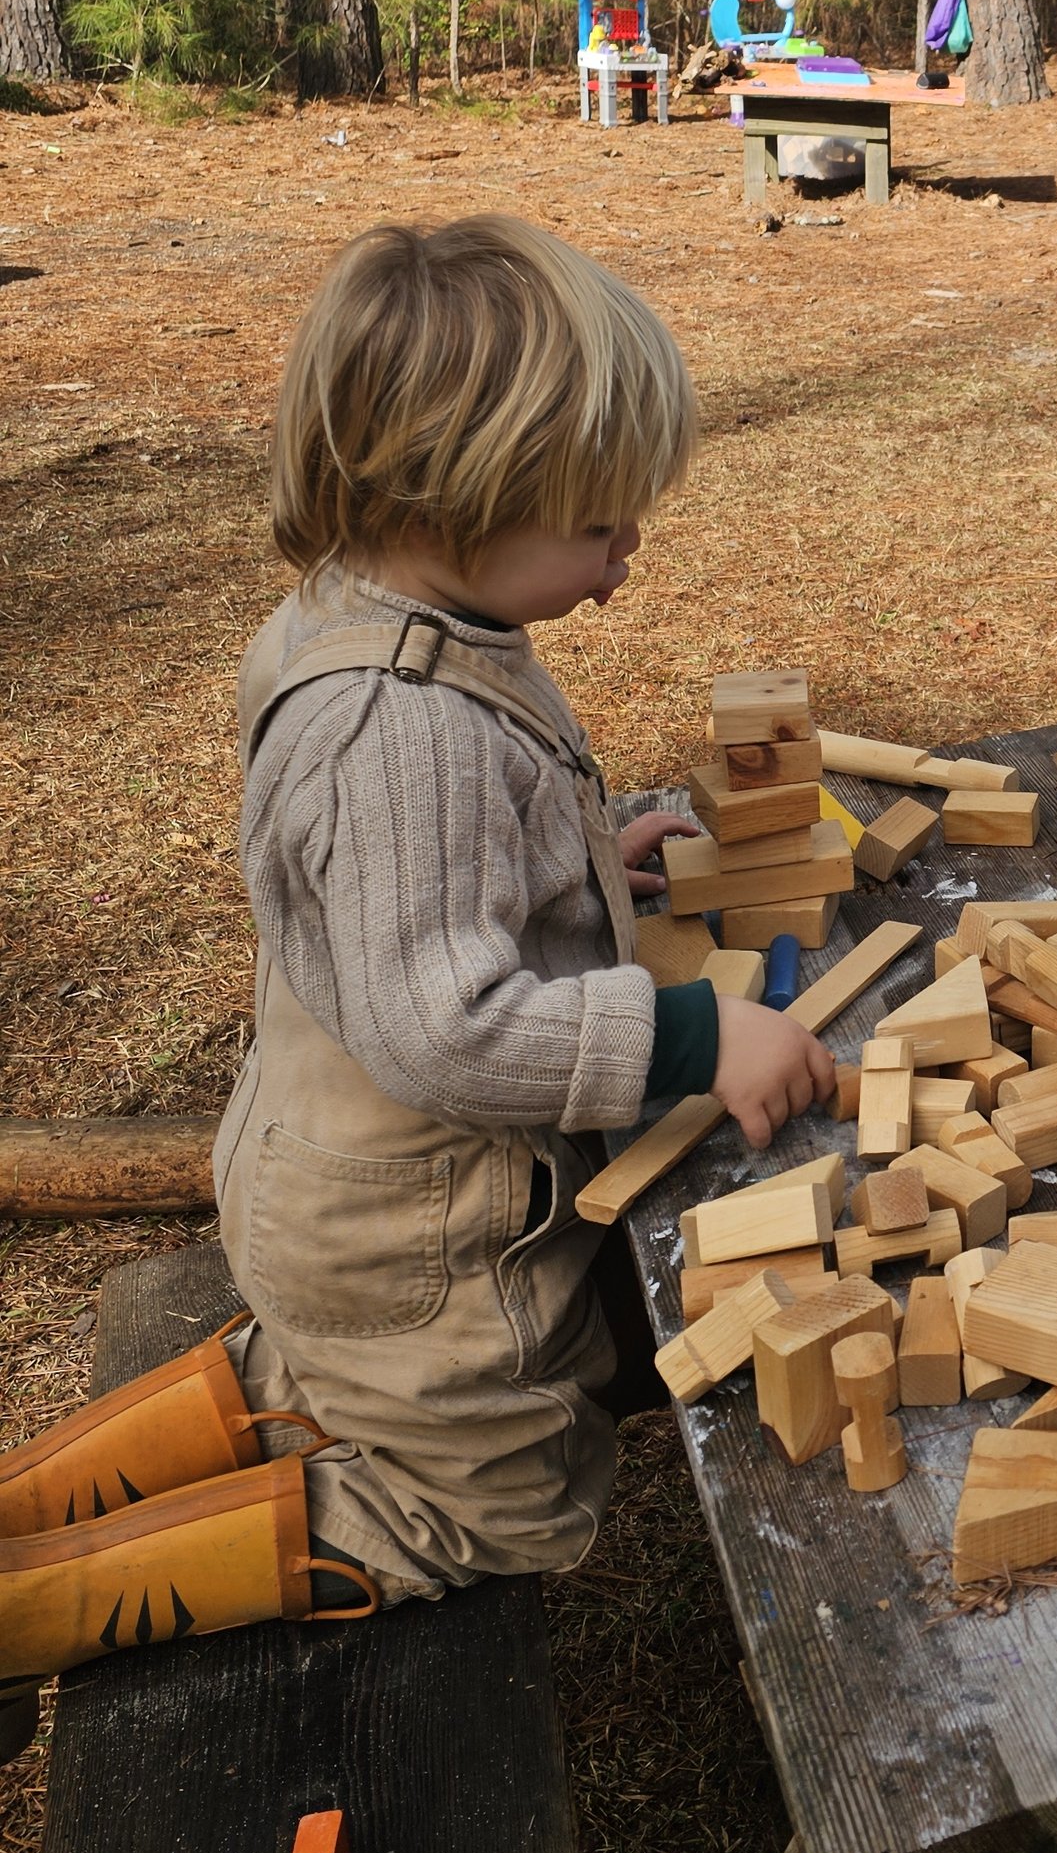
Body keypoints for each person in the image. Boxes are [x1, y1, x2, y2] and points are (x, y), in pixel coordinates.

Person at [0, 216, 836, 1686]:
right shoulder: (404, 725)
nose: (628, 549)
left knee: (336, 1376)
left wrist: (588, 851)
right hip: (424, 1238)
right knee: (481, 1491)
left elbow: (410, 896)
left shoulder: (364, 609)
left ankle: (20, 1521)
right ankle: (24, 1614)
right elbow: (449, 1024)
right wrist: (696, 1040)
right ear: (460, 500)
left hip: (334, 1199)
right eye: (599, 524)